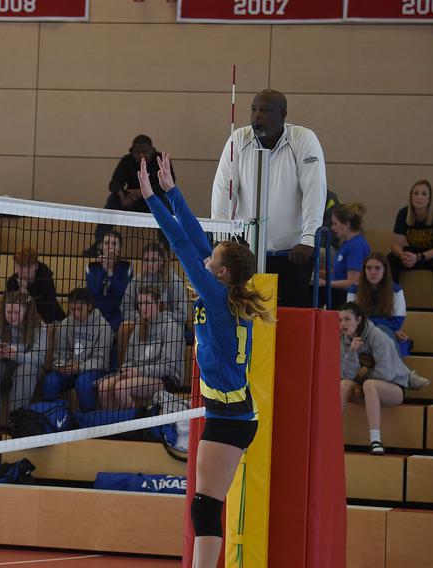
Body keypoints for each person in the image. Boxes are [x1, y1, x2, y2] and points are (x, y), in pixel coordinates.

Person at [142, 152, 273, 568]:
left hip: (230, 417)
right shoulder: (221, 289)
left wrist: (150, 198)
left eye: (211, 260)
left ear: (220, 274)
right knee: (203, 507)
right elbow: (196, 237)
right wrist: (171, 190)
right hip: (231, 412)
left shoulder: (218, 300)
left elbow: (180, 244)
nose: (205, 259)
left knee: (204, 507)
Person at [211, 89, 327, 308]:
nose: (256, 115)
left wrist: (309, 238)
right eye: (254, 109)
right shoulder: (238, 139)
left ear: (283, 115)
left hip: (292, 253)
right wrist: (221, 240)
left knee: (289, 316)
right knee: (245, 313)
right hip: (247, 252)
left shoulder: (303, 139)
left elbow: (314, 190)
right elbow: (223, 190)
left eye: (264, 110)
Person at [84, 135, 175, 256]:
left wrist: (144, 192)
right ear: (132, 152)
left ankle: (166, 246)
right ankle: (100, 244)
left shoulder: (160, 160)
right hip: (132, 201)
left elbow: (169, 183)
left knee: (165, 202)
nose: (142, 155)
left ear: (152, 150)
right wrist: (123, 196)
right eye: (138, 152)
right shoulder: (127, 160)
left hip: (154, 202)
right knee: (113, 200)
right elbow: (115, 183)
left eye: (145, 152)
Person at [339, 302, 411, 455]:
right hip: (365, 390)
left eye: (347, 319)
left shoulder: (377, 336)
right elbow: (347, 375)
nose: (343, 324)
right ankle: (330, 436)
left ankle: (375, 440)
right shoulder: (344, 341)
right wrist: (351, 352)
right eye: (340, 320)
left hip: (393, 389)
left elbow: (385, 374)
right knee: (344, 385)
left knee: (370, 385)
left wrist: (362, 382)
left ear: (358, 319)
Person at [98, 286, 185, 410]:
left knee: (120, 389)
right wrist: (127, 369)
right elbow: (129, 359)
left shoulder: (171, 327)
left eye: (147, 303)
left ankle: (137, 427)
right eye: (140, 303)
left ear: (158, 303)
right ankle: (118, 427)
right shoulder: (140, 326)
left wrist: (139, 372)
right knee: (104, 388)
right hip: (140, 374)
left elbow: (169, 367)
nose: (143, 308)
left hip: (166, 378)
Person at [0, 291, 46, 426]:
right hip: (3, 366)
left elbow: (40, 358)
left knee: (26, 370)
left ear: (25, 311)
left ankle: (15, 419)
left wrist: (17, 356)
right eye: (8, 312)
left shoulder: (38, 326)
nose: (12, 316)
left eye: (16, 313)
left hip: (27, 368)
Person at [41, 288, 113, 412]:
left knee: (83, 383)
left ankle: (88, 422)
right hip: (70, 369)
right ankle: (55, 417)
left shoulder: (104, 327)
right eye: (72, 309)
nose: (76, 313)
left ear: (89, 306)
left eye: (80, 310)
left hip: (93, 370)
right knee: (50, 381)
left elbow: (101, 361)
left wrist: (80, 367)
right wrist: (62, 365)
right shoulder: (65, 324)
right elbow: (59, 354)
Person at [389, 180, 433, 312]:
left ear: (429, 198)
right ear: (411, 196)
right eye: (416, 193)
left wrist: (419, 257)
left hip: (430, 255)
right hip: (411, 254)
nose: (419, 197)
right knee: (390, 259)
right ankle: (391, 304)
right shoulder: (403, 213)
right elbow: (395, 245)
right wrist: (402, 255)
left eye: (424, 194)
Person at [347, 254, 410, 357]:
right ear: (364, 270)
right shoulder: (354, 290)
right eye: (369, 268)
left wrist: (369, 323)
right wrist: (380, 324)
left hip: (385, 333)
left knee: (383, 331)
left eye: (377, 268)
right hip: (361, 333)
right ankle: (399, 372)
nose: (373, 272)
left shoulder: (396, 291)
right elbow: (351, 320)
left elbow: (396, 323)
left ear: (385, 270)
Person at [318, 203, 370, 309]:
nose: (332, 228)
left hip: (345, 296)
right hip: (336, 291)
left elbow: (352, 282)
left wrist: (326, 283)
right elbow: (340, 273)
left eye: (335, 224)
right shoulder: (347, 243)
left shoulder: (356, 246)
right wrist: (317, 274)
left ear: (346, 224)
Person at [85, 230, 133, 332]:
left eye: (114, 243)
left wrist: (110, 271)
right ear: (101, 246)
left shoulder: (126, 267)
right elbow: (94, 292)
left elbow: (123, 295)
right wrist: (103, 268)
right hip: (96, 314)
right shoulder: (92, 267)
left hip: (118, 315)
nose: (110, 246)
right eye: (107, 243)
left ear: (119, 248)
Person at [5, 246, 65, 324]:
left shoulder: (46, 280)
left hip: (51, 319)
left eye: (28, 266)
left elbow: (48, 310)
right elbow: (12, 309)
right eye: (20, 266)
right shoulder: (12, 282)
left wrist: (25, 293)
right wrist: (21, 291)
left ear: (36, 266)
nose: (24, 270)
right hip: (23, 322)